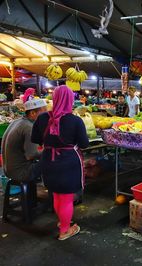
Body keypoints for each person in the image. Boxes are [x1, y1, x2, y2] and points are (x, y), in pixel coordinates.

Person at [31, 85, 89, 241]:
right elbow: (84, 144)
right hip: (68, 162)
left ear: (54, 98)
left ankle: (63, 221)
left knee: (57, 194)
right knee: (66, 198)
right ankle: (65, 230)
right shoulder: (75, 120)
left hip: (48, 160)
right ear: (70, 100)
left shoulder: (42, 118)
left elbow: (35, 139)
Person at [2, 97, 47, 183]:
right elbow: (31, 155)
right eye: (44, 111)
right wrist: (49, 150)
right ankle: (54, 192)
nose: (46, 114)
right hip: (21, 172)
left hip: (8, 170)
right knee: (53, 160)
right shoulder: (29, 127)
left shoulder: (16, 122)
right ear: (33, 113)